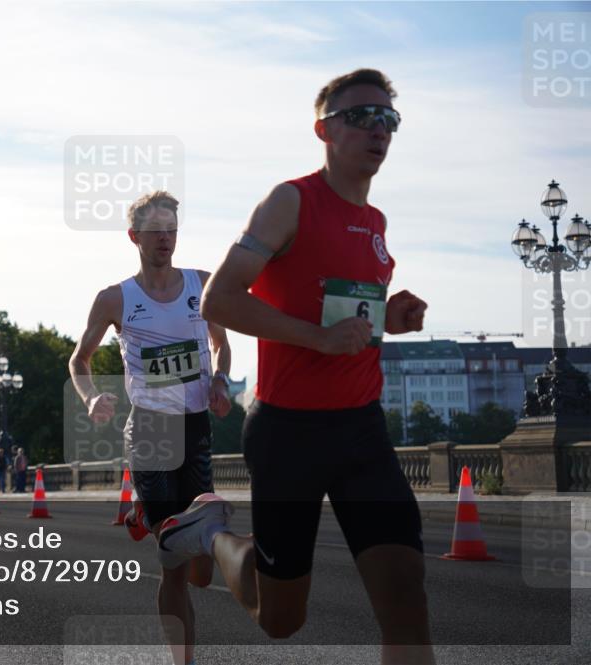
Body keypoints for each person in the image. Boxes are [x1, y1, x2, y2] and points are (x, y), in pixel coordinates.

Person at [159, 69, 434, 665]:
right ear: (323, 130)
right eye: (361, 116)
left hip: (362, 430)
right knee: (280, 619)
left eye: (388, 119)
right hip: (289, 432)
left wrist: (389, 318)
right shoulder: (291, 201)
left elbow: (341, 316)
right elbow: (218, 300)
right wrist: (318, 339)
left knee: (406, 600)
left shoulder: (377, 223)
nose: (378, 129)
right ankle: (211, 533)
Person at [69, 190, 233, 665]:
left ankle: (147, 516)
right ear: (134, 236)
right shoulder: (115, 298)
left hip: (195, 427)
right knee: (174, 562)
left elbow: (221, 345)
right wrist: (91, 396)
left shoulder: (203, 284)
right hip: (150, 431)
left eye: (172, 230)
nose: (166, 238)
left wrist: (220, 379)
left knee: (202, 569)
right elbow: (79, 360)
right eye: (156, 230)